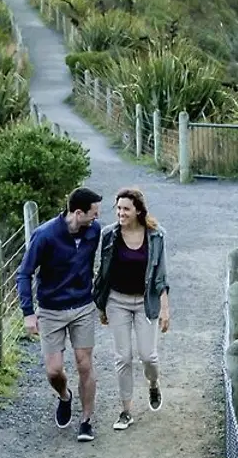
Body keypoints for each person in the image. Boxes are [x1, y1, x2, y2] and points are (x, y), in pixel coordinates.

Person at [17, 186, 104, 442]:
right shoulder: (44, 236)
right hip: (51, 309)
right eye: (94, 214)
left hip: (82, 306)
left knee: (84, 363)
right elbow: (24, 273)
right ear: (78, 212)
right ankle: (65, 397)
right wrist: (28, 313)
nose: (97, 219)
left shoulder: (94, 231)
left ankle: (86, 421)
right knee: (54, 371)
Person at [93, 186, 172, 431]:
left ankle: (153, 383)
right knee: (123, 357)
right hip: (117, 301)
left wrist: (165, 309)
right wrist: (102, 306)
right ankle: (125, 411)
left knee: (148, 356)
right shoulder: (109, 235)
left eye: (126, 209)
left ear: (138, 210)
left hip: (145, 302)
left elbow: (161, 277)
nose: (121, 213)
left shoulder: (156, 236)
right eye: (118, 208)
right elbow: (102, 272)